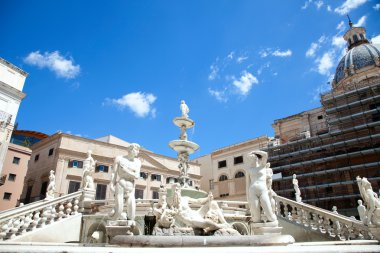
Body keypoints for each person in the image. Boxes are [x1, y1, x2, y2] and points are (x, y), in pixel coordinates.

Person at [110, 143, 141, 221]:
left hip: (131, 186)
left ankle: (129, 223)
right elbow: (114, 172)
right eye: (136, 150)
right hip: (121, 183)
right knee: (119, 207)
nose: (138, 152)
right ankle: (114, 218)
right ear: (131, 149)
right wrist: (111, 184)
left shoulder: (138, 162)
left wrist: (125, 170)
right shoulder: (119, 159)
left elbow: (137, 176)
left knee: (132, 210)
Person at [245, 150, 277, 223]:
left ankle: (272, 216)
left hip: (263, 191)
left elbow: (265, 154)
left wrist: (254, 151)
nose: (251, 161)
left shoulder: (262, 166)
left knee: (271, 217)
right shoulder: (248, 170)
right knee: (256, 219)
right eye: (249, 159)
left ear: (256, 159)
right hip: (252, 191)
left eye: (252, 159)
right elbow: (247, 184)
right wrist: (248, 197)